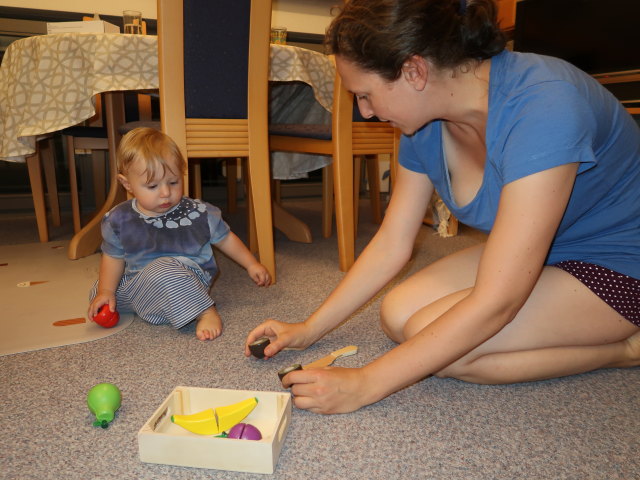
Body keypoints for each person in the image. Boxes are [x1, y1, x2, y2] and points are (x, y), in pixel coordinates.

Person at [245, 0, 640, 414]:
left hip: (618, 263)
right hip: (547, 252)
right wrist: (309, 329)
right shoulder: (425, 123)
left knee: (444, 345)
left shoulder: (544, 104)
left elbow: (497, 304)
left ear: (414, 71)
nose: (366, 112)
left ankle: (625, 350)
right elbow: (392, 242)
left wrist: (366, 382)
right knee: (397, 315)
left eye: (366, 95)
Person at [88, 127, 271, 340]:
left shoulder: (199, 213)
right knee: (99, 291)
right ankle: (161, 306)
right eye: (153, 185)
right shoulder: (119, 218)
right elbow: (113, 257)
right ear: (127, 184)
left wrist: (251, 264)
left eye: (173, 182)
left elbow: (226, 238)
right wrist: (106, 292)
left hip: (186, 279)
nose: (166, 192)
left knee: (163, 269)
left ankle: (204, 310)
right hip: (141, 282)